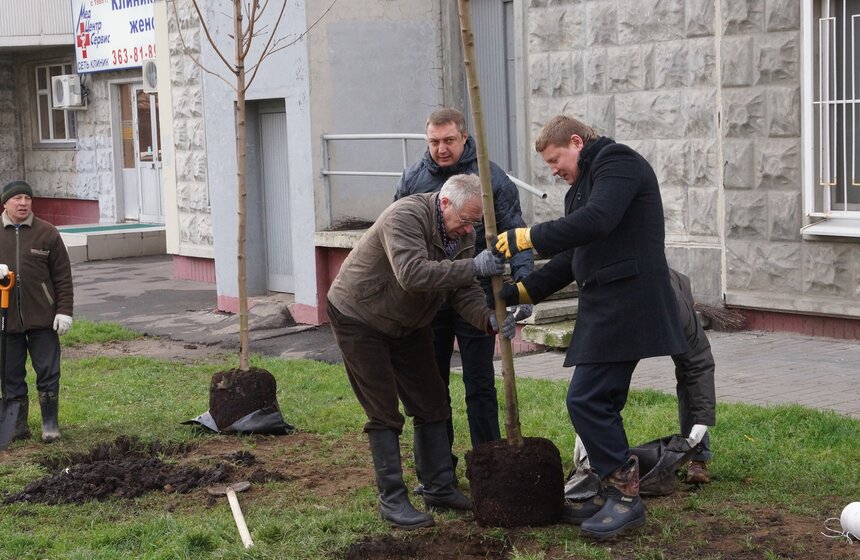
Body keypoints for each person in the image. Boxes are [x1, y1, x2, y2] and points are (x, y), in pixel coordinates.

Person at [492, 115, 687, 539]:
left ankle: (625, 497)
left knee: (587, 399)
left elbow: (598, 220)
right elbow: (573, 255)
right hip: (607, 307)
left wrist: (529, 237)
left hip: (628, 304)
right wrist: (523, 291)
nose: (553, 170)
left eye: (555, 159)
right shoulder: (582, 186)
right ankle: (608, 490)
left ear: (577, 142)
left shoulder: (618, 162)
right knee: (601, 400)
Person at [327, 174, 516, 530]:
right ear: (444, 203)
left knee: (432, 402)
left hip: (409, 322)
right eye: (466, 221)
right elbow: (411, 274)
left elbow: (463, 289)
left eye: (474, 223)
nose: (468, 230)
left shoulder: (462, 232)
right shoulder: (405, 216)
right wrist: (473, 266)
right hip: (360, 315)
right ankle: (393, 501)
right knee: (383, 411)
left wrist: (488, 318)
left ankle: (438, 487)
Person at [394, 107, 534, 475]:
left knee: (480, 384)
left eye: (449, 140)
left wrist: (523, 287)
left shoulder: (490, 178)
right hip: (430, 301)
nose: (441, 148)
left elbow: (515, 231)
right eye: (434, 141)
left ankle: (488, 465)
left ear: (465, 138)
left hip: (476, 297)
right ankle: (438, 472)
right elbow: (397, 239)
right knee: (432, 388)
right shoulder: (413, 179)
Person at [0, 180, 73, 443]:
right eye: (17, 198)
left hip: (43, 318)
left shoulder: (47, 233)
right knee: (10, 374)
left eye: (27, 198)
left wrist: (64, 311)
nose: (23, 203)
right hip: (6, 320)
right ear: (5, 203)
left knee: (48, 371)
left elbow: (62, 276)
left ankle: (49, 423)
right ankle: (17, 427)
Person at [668, 268, 715, 483]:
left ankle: (698, 456)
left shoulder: (677, 308)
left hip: (669, 304)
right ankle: (608, 461)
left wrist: (701, 421)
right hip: (624, 312)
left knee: (688, 378)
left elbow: (698, 364)